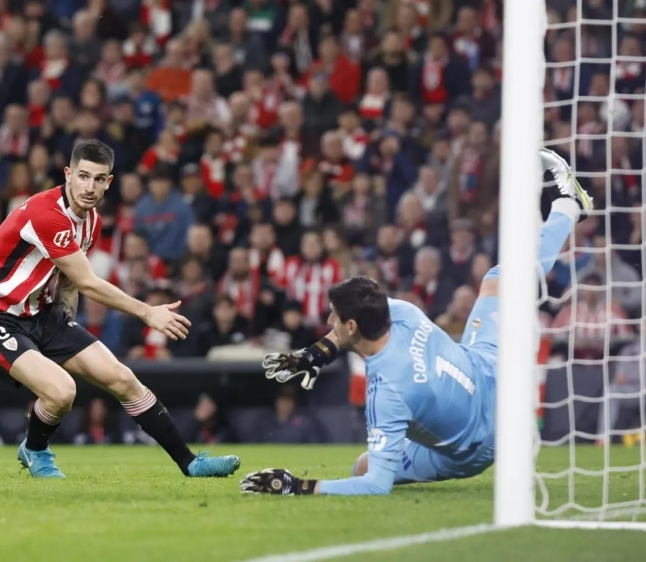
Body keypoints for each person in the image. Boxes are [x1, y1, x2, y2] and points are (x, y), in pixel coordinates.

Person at [242, 149, 592, 496]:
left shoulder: (386, 393)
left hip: (479, 446)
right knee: (502, 279)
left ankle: (569, 205)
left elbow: (375, 485)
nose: (329, 321)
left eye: (334, 316)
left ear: (352, 327)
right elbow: (361, 314)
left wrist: (298, 485)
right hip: (493, 372)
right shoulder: (404, 312)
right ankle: (567, 207)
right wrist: (314, 355)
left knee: (364, 468)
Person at [0, 139, 241, 478]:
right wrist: (148, 312)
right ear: (68, 174)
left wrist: (65, 318)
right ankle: (34, 449)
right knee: (62, 392)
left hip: (40, 314)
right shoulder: (47, 214)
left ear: (109, 182)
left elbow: (69, 281)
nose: (89, 187)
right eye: (83, 176)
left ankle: (190, 463)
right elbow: (89, 281)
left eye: (99, 179)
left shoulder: (91, 222)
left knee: (122, 378)